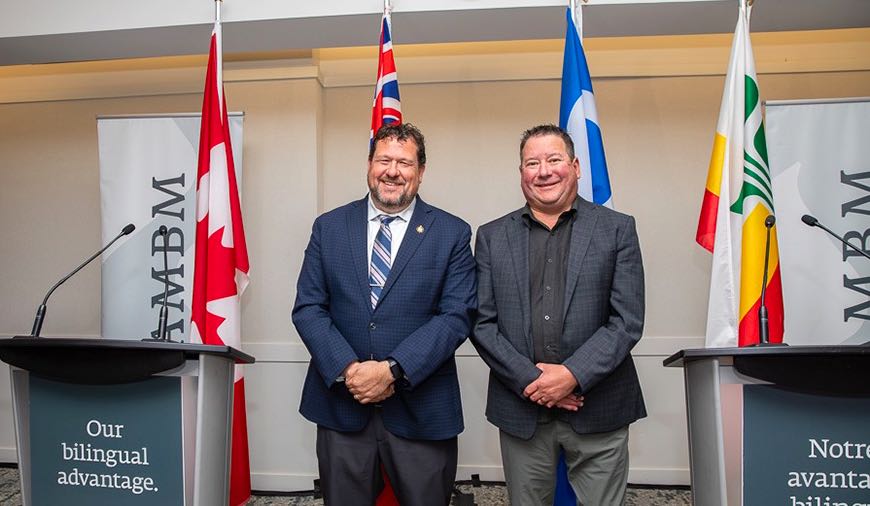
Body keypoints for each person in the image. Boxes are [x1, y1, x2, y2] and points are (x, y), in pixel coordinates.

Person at [292, 123, 477, 506]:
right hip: (342, 407)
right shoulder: (329, 227)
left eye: (404, 162)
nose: (392, 171)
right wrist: (350, 371)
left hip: (421, 410)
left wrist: (392, 369)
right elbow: (309, 307)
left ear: (421, 171)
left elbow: (456, 315)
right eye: (384, 160)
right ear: (369, 165)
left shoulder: (452, 232)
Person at [472, 124, 646, 505]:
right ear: (521, 173)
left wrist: (571, 376)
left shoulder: (617, 229)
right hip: (522, 411)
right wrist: (536, 382)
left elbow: (626, 320)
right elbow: (482, 324)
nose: (543, 171)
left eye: (554, 159)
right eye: (531, 163)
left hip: (600, 407)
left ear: (576, 166)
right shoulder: (491, 236)